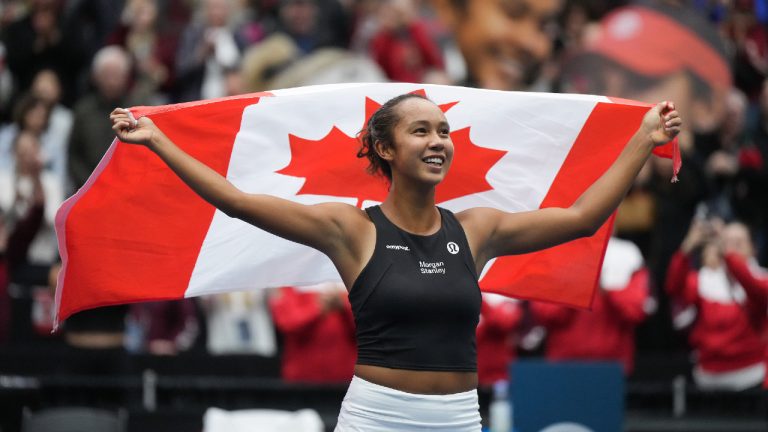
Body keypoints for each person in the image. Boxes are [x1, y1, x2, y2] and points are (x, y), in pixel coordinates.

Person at [111, 92, 680, 430]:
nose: (439, 141)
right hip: (375, 416)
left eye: (444, 131)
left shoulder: (477, 229)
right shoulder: (350, 230)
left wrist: (642, 139)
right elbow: (236, 202)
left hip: (459, 417)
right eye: (421, 130)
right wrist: (159, 141)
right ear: (385, 149)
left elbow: (581, 218)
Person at [666, 219, 767, 390]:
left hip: (752, 375)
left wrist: (727, 255)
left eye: (739, 242)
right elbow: (674, 287)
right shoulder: (705, 280)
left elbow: (751, 285)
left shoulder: (761, 277)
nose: (732, 247)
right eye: (727, 242)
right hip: (708, 377)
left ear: (753, 247)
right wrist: (688, 246)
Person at [531, 235, 651, 375]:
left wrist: (607, 288)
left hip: (612, 367)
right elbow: (544, 314)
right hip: (564, 367)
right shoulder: (553, 254)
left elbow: (635, 312)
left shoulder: (627, 255)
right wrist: (577, 286)